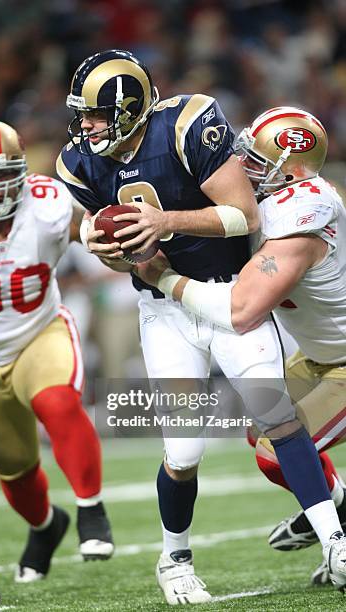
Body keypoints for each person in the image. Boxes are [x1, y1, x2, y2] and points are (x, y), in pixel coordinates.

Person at [57, 51, 346, 602]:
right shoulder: (79, 163)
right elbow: (124, 256)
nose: (84, 126)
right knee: (184, 451)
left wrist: (163, 223)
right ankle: (175, 558)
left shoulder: (189, 124)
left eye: (95, 114)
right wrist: (105, 246)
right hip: (165, 313)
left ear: (129, 110)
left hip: (232, 291)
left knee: (276, 418)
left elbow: (244, 215)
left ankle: (336, 541)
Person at [135, 106, 346, 589]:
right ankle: (337, 511)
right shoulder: (283, 199)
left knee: (276, 448)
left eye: (256, 160)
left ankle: (338, 529)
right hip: (317, 355)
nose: (242, 166)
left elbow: (241, 310)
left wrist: (163, 277)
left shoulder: (303, 211)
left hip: (342, 363)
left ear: (290, 169)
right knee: (260, 427)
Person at [0, 119, 114, 583]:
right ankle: (45, 527)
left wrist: (107, 238)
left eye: (3, 173)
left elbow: (91, 234)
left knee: (56, 400)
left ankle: (91, 510)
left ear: (20, 170)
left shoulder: (49, 203)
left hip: (40, 332)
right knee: (13, 469)